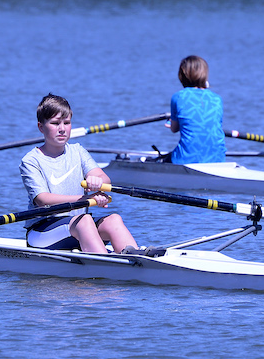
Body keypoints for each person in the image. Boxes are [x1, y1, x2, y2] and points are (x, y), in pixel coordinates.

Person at [20, 93, 150, 255]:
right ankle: (105, 263)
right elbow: (42, 200)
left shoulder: (78, 151)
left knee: (114, 220)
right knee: (85, 221)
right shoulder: (31, 161)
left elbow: (104, 179)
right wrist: (86, 199)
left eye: (67, 123)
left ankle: (134, 258)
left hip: (77, 227)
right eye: (55, 123)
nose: (62, 129)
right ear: (41, 127)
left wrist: (96, 181)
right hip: (41, 233)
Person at [168, 55, 226, 164]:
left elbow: (174, 129)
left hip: (186, 159)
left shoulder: (178, 97)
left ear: (181, 76)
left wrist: (172, 122)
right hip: (218, 159)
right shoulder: (217, 99)